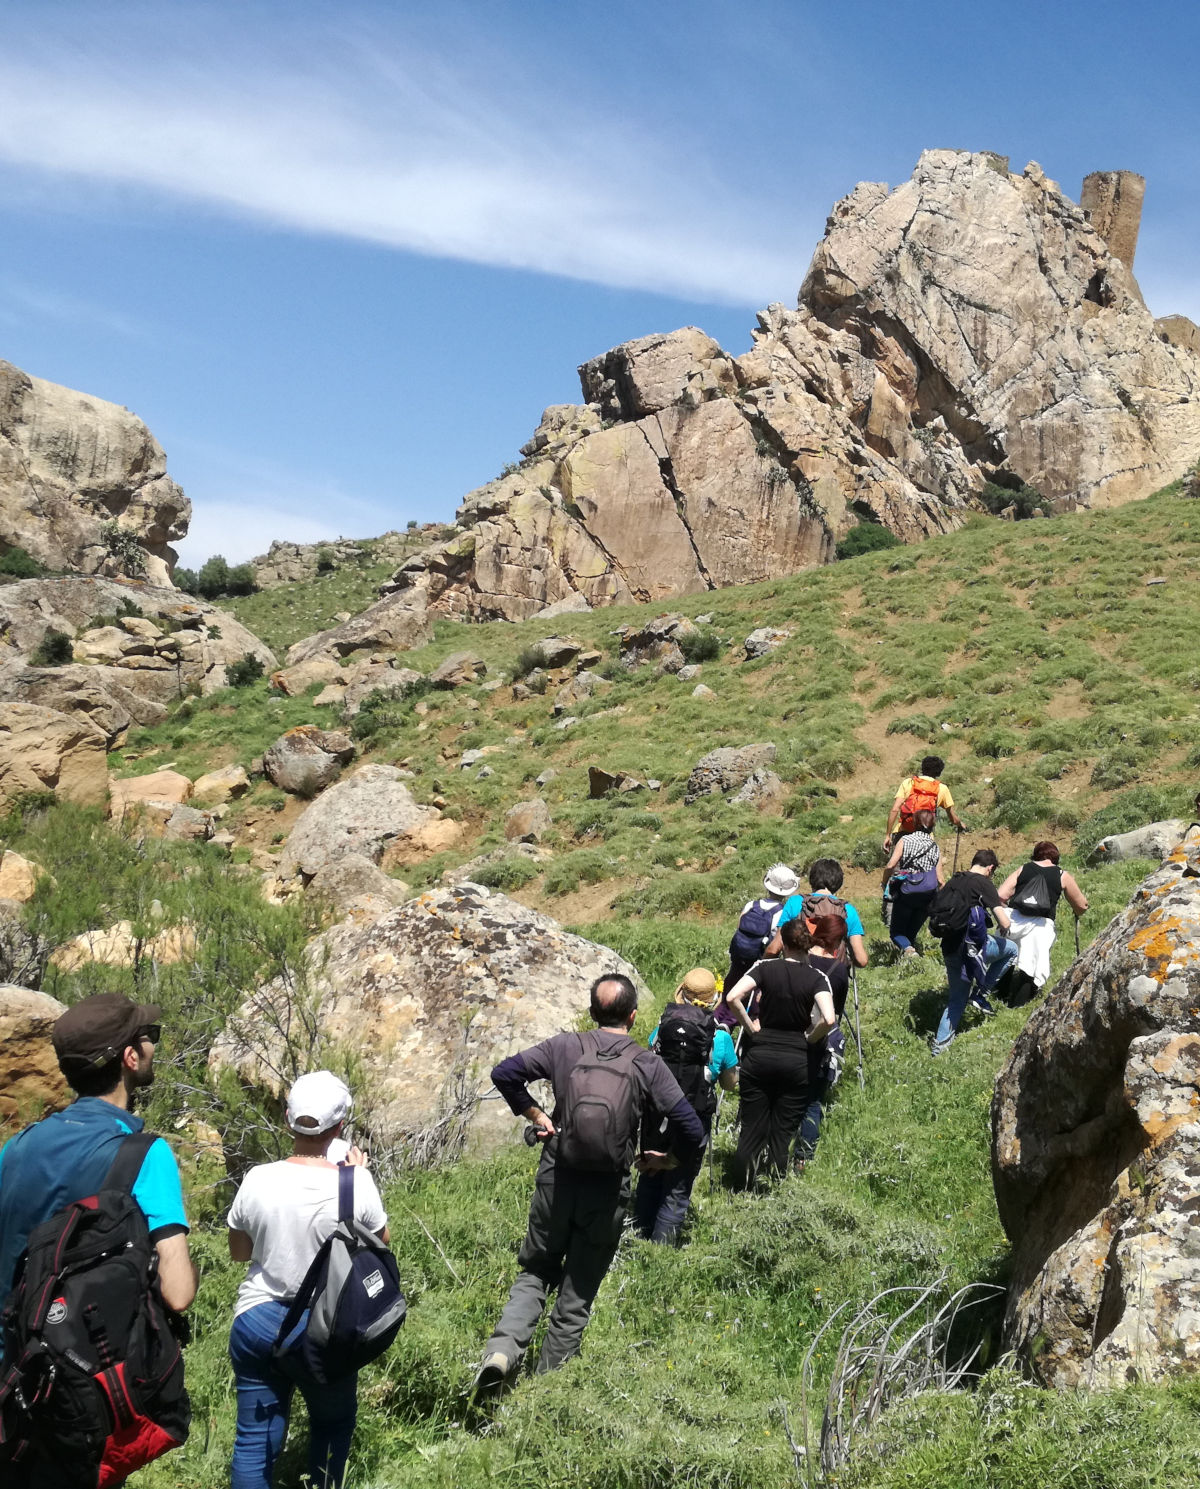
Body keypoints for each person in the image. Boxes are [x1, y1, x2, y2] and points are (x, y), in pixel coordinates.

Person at [476, 975, 705, 1392]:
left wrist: (536, 1115)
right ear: (633, 1016)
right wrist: (667, 1158)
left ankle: (503, 1350)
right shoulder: (645, 1062)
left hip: (556, 1177)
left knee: (536, 1270)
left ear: (591, 1012)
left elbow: (504, 1073)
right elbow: (692, 1127)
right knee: (577, 1289)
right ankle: (544, 1391)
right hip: (607, 1190)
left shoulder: (564, 1047)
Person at [226, 1070, 389, 1489]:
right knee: (332, 1423)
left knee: (254, 1441)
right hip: (324, 1328)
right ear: (339, 1128)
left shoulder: (256, 1179)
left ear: (287, 1119)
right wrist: (355, 1178)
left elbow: (239, 1253)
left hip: (256, 1319)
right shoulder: (355, 1183)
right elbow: (381, 1251)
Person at [0, 991, 196, 1320]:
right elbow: (177, 1293)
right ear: (130, 1057)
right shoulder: (145, 1155)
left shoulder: (17, 1147)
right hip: (94, 1361)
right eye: (150, 1037)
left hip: (15, 1359)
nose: (153, 1046)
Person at [726, 919, 836, 1186]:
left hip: (760, 1055)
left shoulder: (765, 967)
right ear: (806, 945)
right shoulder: (817, 977)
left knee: (752, 1127)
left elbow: (732, 998)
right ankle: (774, 1185)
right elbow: (829, 1019)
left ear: (784, 944)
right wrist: (810, 1038)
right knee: (782, 1131)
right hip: (796, 1061)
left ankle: (739, 1184)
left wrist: (751, 1028)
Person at [634, 969, 738, 1244]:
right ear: (714, 999)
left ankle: (637, 1239)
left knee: (650, 1176)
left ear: (681, 995)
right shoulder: (721, 1038)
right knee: (677, 1188)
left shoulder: (662, 1028)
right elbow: (729, 1084)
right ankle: (659, 1254)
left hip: (657, 1115)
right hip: (694, 1119)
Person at [930, 849, 1017, 1055]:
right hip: (971, 948)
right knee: (1012, 950)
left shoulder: (954, 880)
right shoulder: (982, 883)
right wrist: (1006, 926)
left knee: (956, 999)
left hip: (949, 947)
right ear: (990, 868)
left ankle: (939, 1050)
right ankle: (981, 994)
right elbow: (1003, 921)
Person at [997, 842, 1088, 1005]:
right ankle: (1018, 1004)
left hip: (1015, 919)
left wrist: (1010, 909)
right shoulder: (1062, 875)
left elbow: (1000, 895)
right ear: (1056, 858)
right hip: (1041, 924)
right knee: (1032, 966)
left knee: (1006, 958)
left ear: (1035, 855)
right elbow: (1081, 906)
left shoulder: (1023, 868)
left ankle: (998, 996)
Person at [721, 864, 800, 1021]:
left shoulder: (751, 905)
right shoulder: (782, 913)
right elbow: (777, 946)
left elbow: (738, 931)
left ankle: (723, 1025)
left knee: (730, 998)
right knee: (756, 1007)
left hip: (738, 961)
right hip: (761, 964)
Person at [767, 859, 869, 968]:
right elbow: (861, 960)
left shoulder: (795, 902)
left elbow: (775, 947)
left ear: (812, 880)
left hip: (799, 972)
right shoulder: (848, 910)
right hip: (833, 977)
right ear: (839, 883)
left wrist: (761, 971)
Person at [882, 808, 944, 959]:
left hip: (907, 892)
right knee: (911, 933)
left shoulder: (905, 840)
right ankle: (912, 958)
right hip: (928, 894)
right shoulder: (934, 846)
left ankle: (909, 951)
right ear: (932, 826)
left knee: (896, 932)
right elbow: (941, 880)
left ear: (914, 823)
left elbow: (890, 865)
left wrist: (885, 883)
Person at [883, 755, 967, 851]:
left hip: (902, 833)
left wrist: (887, 835)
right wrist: (960, 824)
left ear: (922, 768)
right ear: (939, 772)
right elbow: (953, 819)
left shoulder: (909, 783)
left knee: (896, 864)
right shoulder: (942, 789)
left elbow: (895, 809)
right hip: (925, 839)